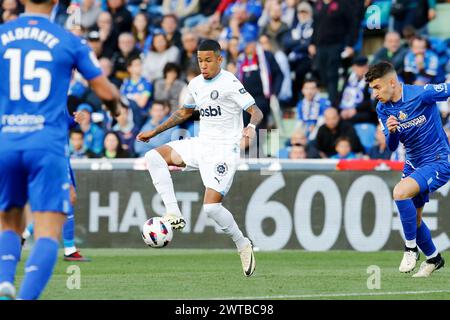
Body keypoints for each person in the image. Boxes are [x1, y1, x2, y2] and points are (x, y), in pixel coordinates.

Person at [0, 0, 120, 300]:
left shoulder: (3, 34)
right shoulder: (68, 39)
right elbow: (104, 90)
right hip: (46, 146)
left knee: (9, 223)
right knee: (48, 230)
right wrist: (118, 106)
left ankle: (4, 283)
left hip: (7, 141)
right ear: (55, 1)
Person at [136, 39, 263, 277]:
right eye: (200, 60)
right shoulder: (195, 84)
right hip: (201, 145)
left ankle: (242, 244)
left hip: (224, 151)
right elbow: (184, 112)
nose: (203, 65)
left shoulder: (230, 82)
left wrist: (252, 127)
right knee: (154, 157)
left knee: (211, 208)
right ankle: (173, 213)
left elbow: (256, 111)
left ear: (219, 59)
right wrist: (155, 132)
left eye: (208, 60)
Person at [366, 61, 449, 277]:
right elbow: (392, 146)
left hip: (438, 160)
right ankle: (434, 258)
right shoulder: (382, 108)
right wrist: (392, 132)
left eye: (377, 87)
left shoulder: (422, 94)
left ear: (392, 82)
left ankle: (410, 248)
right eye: (372, 89)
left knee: (400, 192)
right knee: (415, 219)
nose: (375, 93)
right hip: (413, 164)